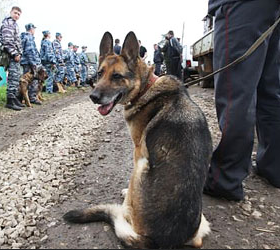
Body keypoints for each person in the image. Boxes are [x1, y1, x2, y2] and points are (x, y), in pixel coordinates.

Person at [203, 0, 280, 201]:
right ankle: (273, 167)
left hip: (241, 5)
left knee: (235, 92)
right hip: (271, 8)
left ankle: (224, 179)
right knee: (269, 92)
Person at [0, 6, 23, 111]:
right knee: (13, 77)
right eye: (15, 13)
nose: (17, 15)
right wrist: (14, 54)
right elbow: (7, 41)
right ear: (11, 12)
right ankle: (10, 101)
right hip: (11, 55)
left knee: (16, 77)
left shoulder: (14, 24)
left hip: (15, 54)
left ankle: (14, 98)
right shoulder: (8, 24)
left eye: (18, 14)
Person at [20, 23, 42, 105]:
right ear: (31, 29)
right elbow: (30, 52)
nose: (34, 31)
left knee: (26, 81)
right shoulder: (29, 37)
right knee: (33, 80)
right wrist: (33, 64)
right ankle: (32, 97)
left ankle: (25, 98)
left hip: (26, 62)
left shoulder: (24, 37)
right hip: (30, 62)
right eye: (34, 29)